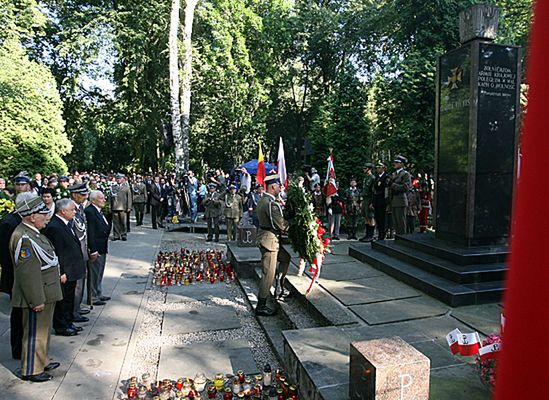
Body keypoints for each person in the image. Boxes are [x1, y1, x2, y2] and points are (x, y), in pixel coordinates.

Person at [10, 195, 62, 382]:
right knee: (34, 333)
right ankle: (31, 369)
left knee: (43, 330)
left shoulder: (33, 232)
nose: (46, 217)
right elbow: (28, 274)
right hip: (37, 294)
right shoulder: (24, 238)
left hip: (45, 290)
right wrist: (36, 299)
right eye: (43, 214)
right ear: (32, 216)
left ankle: (41, 360)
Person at [44, 199, 86, 336]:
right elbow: (56, 251)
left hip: (71, 269)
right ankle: (61, 326)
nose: (75, 212)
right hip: (64, 271)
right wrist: (61, 272)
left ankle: (68, 322)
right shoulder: (55, 227)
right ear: (63, 211)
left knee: (68, 299)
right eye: (72, 210)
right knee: (62, 301)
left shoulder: (65, 223)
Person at [255, 173, 290, 316]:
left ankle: (280, 287)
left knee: (285, 258)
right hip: (269, 241)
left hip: (268, 238)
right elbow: (282, 225)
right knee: (268, 273)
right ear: (272, 187)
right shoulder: (271, 204)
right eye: (279, 186)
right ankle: (261, 306)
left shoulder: (264, 200)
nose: (280, 189)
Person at [0, 192, 30, 360]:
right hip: (15, 275)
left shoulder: (18, 221)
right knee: (18, 313)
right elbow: (5, 254)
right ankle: (17, 349)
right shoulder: (8, 223)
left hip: (21, 274)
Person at [68, 183, 92, 323]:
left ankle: (76, 308)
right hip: (75, 255)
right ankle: (73, 312)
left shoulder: (80, 209)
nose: (85, 197)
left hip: (83, 252)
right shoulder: (70, 210)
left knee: (81, 283)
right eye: (82, 195)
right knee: (76, 285)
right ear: (74, 195)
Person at [85, 190, 111, 306]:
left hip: (102, 246)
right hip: (96, 247)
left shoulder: (98, 211)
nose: (104, 200)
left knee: (99, 272)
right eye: (101, 198)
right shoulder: (90, 211)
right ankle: (93, 297)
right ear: (93, 200)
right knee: (94, 273)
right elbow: (91, 232)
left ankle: (98, 293)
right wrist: (93, 250)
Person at [389, 155, 412, 235]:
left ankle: (403, 238)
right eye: (395, 162)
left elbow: (406, 188)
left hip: (400, 199)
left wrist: (393, 185)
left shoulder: (405, 174)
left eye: (397, 162)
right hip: (393, 200)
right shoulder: (394, 174)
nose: (395, 164)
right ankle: (397, 238)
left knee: (401, 221)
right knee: (395, 222)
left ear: (402, 164)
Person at [110, 173, 132, 241]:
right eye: (117, 178)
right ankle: (116, 235)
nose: (118, 180)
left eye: (120, 178)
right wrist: (110, 206)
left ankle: (123, 235)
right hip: (115, 207)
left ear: (123, 179)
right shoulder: (113, 187)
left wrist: (129, 207)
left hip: (123, 207)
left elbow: (129, 198)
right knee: (115, 222)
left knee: (123, 222)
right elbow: (110, 197)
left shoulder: (126, 187)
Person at [372, 162, 390, 240]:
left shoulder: (386, 177)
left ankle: (383, 234)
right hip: (377, 199)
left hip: (382, 199)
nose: (378, 169)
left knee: (382, 218)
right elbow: (374, 189)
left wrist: (387, 201)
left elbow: (386, 189)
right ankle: (379, 233)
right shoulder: (376, 177)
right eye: (377, 168)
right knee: (377, 218)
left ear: (383, 168)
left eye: (379, 167)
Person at [360, 163, 376, 242]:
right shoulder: (366, 178)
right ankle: (367, 234)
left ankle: (371, 235)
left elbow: (373, 191)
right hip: (365, 199)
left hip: (370, 199)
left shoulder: (372, 178)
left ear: (369, 169)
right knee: (366, 217)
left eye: (365, 168)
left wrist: (372, 202)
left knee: (370, 217)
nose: (364, 169)